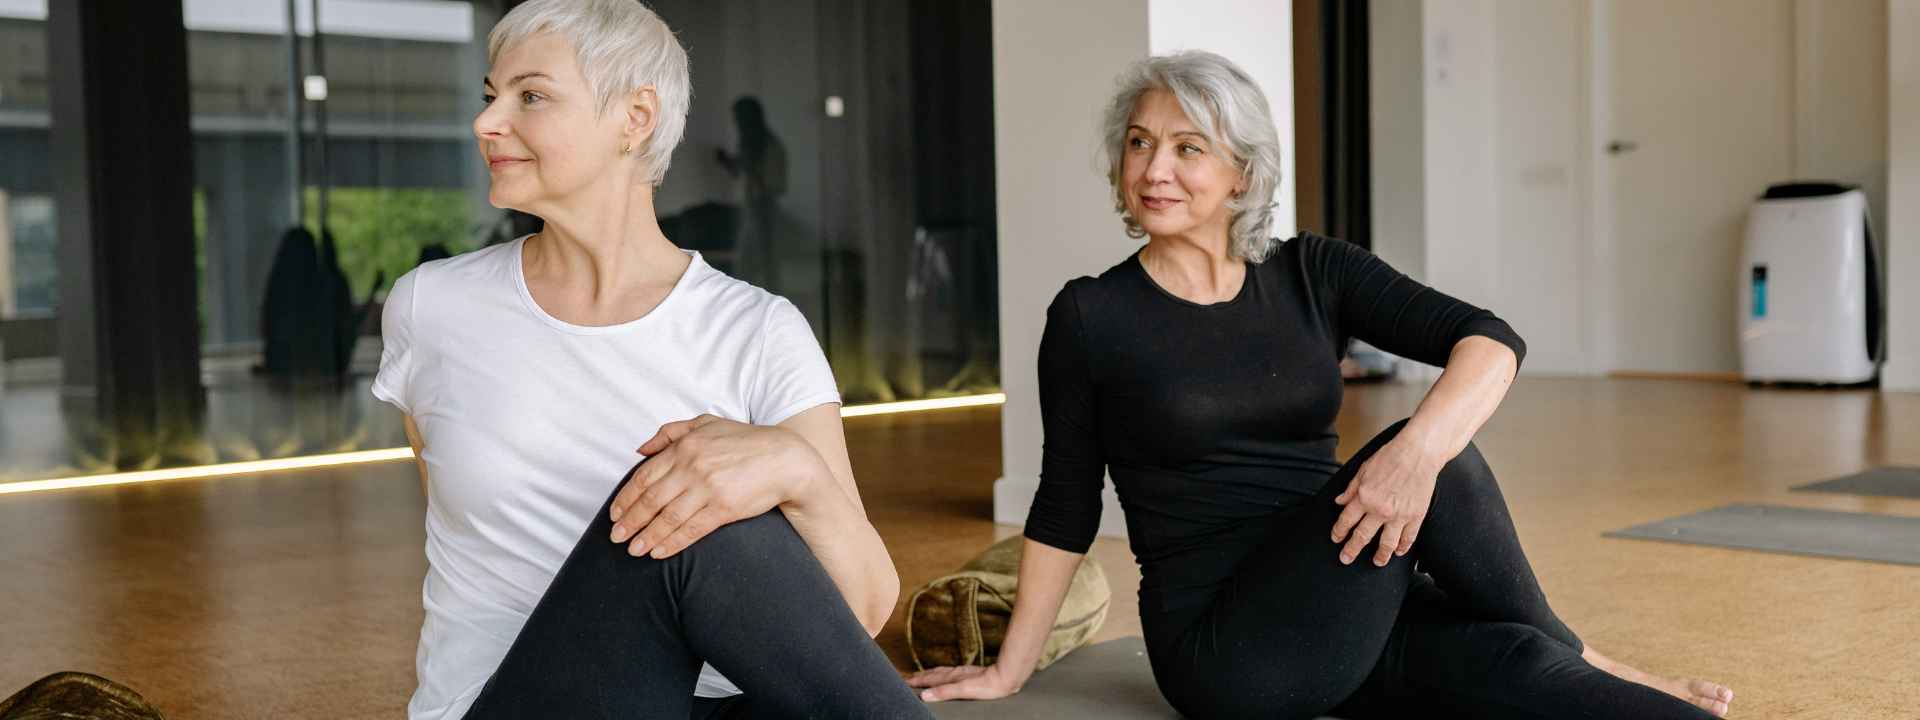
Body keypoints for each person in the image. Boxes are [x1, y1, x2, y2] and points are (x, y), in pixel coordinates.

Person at [908, 51, 1735, 720]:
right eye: (1138, 142)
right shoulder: (1092, 314)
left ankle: (1596, 671)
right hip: (1229, 647)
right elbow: (1064, 500)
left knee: (1515, 657)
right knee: (1442, 468)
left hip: (1344, 594)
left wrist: (1416, 450)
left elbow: (1491, 340)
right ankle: (1596, 655)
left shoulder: (1313, 271)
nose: (1154, 168)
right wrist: (1009, 672)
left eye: (1187, 147)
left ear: (1241, 172)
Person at [370, 2, 931, 717]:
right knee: (693, 506)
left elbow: (857, 617)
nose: (487, 122)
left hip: (711, 703)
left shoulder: (757, 329)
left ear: (635, 118)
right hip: (509, 699)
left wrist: (796, 471)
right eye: (491, 97)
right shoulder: (433, 308)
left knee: (723, 490)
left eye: (531, 96)